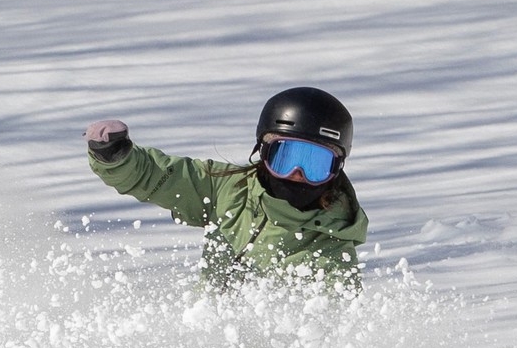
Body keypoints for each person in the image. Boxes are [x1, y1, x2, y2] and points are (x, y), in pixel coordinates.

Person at [84, 86, 368, 290]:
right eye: (285, 157)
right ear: (263, 151)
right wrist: (117, 158)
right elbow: (160, 177)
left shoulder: (333, 255)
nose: (297, 174)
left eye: (315, 164)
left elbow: (334, 334)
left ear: (336, 169)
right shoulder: (229, 190)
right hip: (203, 341)